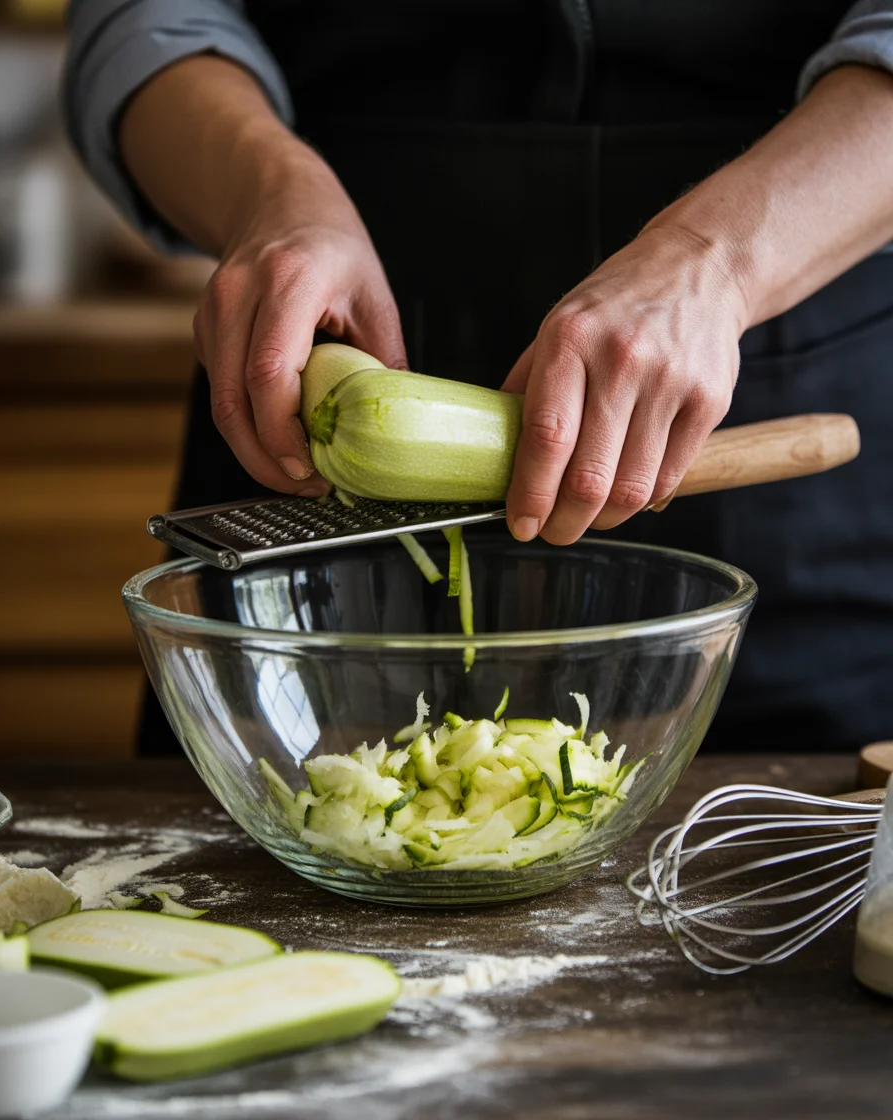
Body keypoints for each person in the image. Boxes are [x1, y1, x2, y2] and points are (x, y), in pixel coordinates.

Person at [65, 1, 893, 756]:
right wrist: (270, 196)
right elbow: (146, 18)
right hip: (313, 352)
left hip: (789, 348)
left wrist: (716, 261)